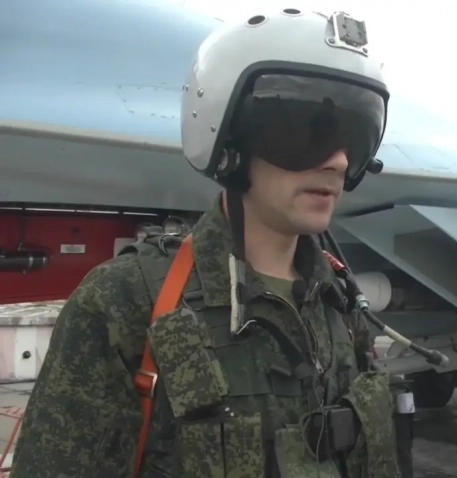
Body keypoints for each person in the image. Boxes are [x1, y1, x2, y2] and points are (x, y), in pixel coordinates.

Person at [11, 9, 404, 478]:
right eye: (305, 132)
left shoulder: (339, 302)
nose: (337, 161)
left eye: (354, 138)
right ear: (230, 141)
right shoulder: (128, 301)